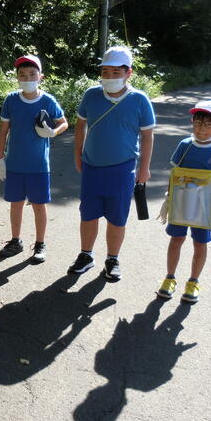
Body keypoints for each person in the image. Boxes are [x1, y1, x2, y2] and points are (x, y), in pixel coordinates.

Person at [68, 46, 154, 279]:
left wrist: (144, 168)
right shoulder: (91, 95)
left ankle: (112, 258)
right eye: (105, 71)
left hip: (122, 169)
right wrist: (77, 155)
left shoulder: (139, 100)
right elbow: (80, 125)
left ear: (129, 73)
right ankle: (86, 255)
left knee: (117, 217)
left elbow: (147, 135)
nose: (110, 76)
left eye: (116, 72)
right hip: (91, 166)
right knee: (88, 214)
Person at [155, 100, 211, 303]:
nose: (202, 129)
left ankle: (193, 282)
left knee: (200, 242)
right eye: (198, 123)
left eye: (208, 124)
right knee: (176, 239)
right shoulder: (185, 145)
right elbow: (174, 173)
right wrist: (168, 197)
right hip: (180, 201)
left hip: (205, 205)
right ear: (192, 122)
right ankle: (169, 278)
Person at [0, 55, 67, 263]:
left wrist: (53, 132)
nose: (27, 78)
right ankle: (15, 241)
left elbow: (63, 123)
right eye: (22, 75)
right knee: (15, 204)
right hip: (14, 163)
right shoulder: (11, 100)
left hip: (39, 166)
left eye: (32, 74)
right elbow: (3, 131)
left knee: (39, 205)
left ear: (40, 76)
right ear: (17, 77)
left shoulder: (47, 100)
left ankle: (40, 243)